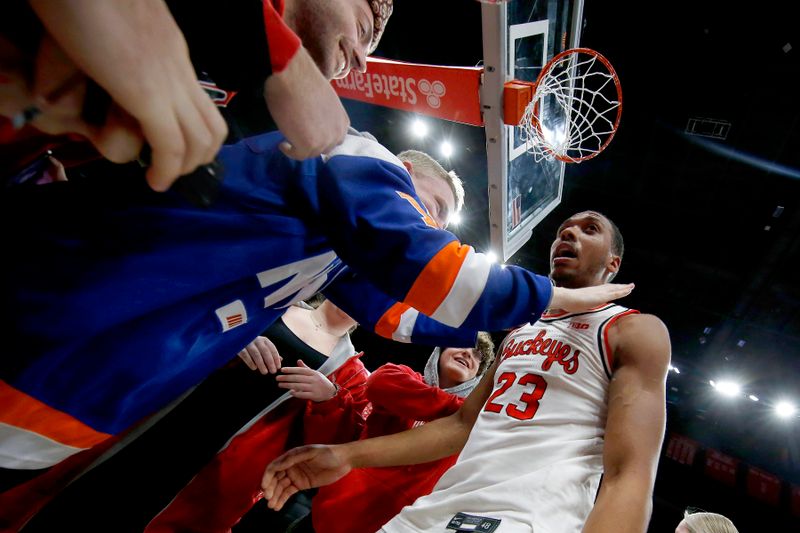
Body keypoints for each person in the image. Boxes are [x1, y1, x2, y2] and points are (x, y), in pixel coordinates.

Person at [0, 134, 632, 473]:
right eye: (427, 206)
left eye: (440, 221)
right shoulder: (351, 158)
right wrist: (551, 294)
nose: (429, 226)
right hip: (48, 322)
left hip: (73, 400)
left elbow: (409, 318)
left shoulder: (338, 258)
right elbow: (439, 274)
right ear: (393, 176)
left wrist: (531, 316)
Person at [263, 210, 671, 533]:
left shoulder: (633, 330)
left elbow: (628, 475)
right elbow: (462, 425)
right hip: (433, 510)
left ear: (613, 262)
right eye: (564, 228)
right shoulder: (520, 330)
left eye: (589, 229)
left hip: (526, 517)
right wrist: (346, 455)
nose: (569, 234)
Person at [1, 0, 393, 188]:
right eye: (361, 28)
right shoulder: (260, 55)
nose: (360, 60)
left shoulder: (251, 97)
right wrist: (281, 56)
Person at [307, 334, 496, 533]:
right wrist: (463, 412)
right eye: (461, 344)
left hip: (393, 526)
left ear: (478, 374)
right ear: (439, 351)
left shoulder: (474, 428)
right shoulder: (402, 376)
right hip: (329, 512)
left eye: (478, 356)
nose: (468, 353)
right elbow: (378, 383)